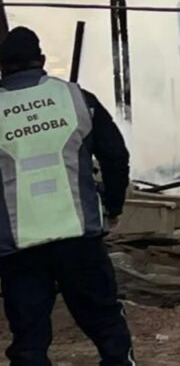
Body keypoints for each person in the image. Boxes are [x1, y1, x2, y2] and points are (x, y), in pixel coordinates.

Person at [0, 27, 135, 365]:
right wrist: (113, 205)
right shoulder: (76, 98)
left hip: (19, 245)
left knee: (29, 340)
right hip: (78, 236)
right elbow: (115, 155)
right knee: (105, 322)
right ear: (42, 61)